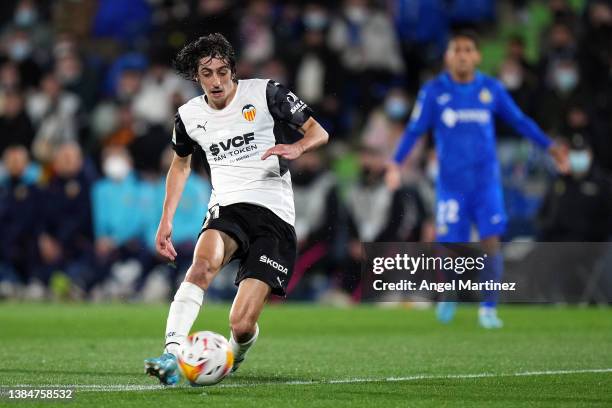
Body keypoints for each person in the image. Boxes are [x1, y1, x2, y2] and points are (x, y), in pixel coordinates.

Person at [144, 33, 328, 385]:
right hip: (228, 207)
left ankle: (233, 355)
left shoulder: (265, 92)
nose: (216, 80)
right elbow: (180, 165)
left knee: (241, 324)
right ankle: (171, 354)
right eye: (207, 73)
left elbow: (318, 131)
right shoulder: (188, 116)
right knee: (201, 265)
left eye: (222, 71)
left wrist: (299, 147)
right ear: (196, 76)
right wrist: (165, 220)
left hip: (274, 214)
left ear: (233, 70)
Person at [386, 30, 569, 329]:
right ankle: (449, 296)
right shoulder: (434, 91)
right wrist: (395, 164)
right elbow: (414, 130)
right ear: (447, 56)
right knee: (448, 243)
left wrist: (550, 147)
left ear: (477, 56)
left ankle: (488, 308)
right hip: (451, 184)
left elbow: (520, 121)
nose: (462, 55)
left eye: (468, 49)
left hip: (485, 183)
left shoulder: (491, 89)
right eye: (456, 49)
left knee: (491, 242)